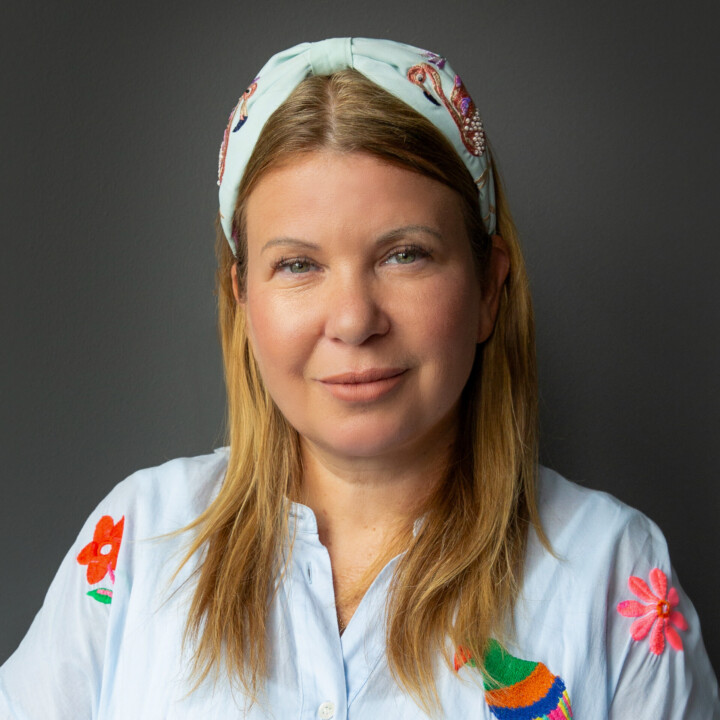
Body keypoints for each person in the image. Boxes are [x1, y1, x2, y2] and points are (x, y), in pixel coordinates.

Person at [0, 37, 718, 719]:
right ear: (242, 301)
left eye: (405, 254)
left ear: (488, 289)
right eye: (298, 264)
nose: (353, 320)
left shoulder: (613, 575)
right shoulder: (137, 544)